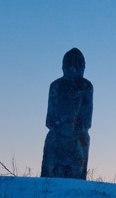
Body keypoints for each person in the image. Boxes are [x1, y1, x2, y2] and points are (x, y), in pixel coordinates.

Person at [40, 48, 93, 179]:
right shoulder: (56, 86)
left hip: (77, 133)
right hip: (57, 132)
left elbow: (86, 120)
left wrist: (75, 129)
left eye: (77, 64)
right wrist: (60, 128)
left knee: (80, 148)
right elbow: (49, 118)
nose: (73, 69)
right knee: (52, 145)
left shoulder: (86, 86)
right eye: (69, 64)